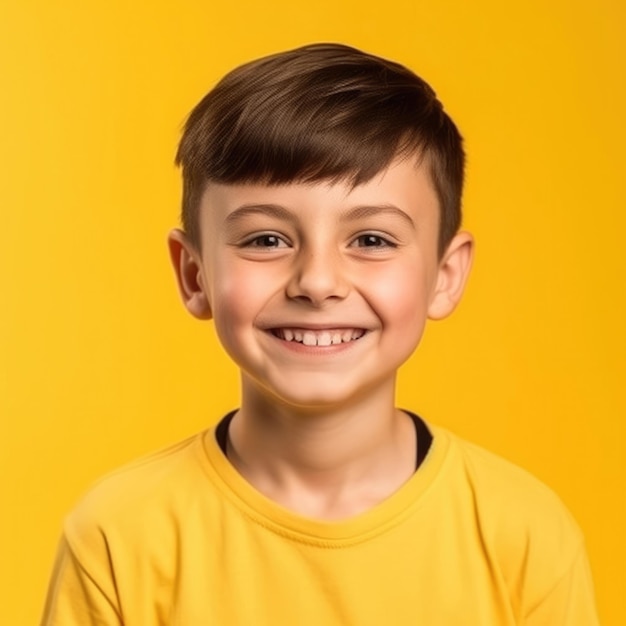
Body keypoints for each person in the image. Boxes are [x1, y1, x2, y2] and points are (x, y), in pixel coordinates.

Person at [40, 43, 599, 625]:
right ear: (194, 272)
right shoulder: (117, 536)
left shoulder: (526, 538)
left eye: (372, 240)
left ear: (445, 276)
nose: (318, 281)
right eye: (265, 239)